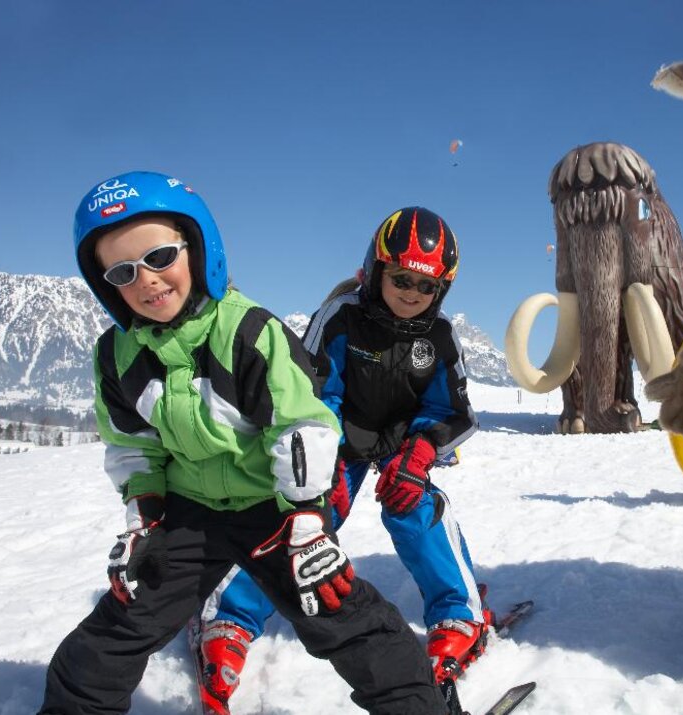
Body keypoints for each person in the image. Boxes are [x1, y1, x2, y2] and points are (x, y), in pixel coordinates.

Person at [38, 172, 445, 715]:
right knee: (117, 626)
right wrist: (144, 517)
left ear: (198, 249)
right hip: (186, 515)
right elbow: (134, 444)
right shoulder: (116, 355)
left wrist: (306, 523)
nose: (147, 280)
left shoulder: (248, 331)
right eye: (122, 270)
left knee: (338, 612)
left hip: (273, 509)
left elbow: (300, 425)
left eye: (160, 256)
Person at [197, 207, 492, 702]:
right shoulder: (341, 318)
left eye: (428, 287)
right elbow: (310, 394)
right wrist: (324, 459)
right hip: (341, 440)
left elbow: (454, 411)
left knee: (413, 508)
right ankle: (229, 618)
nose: (412, 294)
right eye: (401, 278)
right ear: (376, 269)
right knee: (304, 512)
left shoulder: (439, 337)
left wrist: (419, 454)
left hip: (403, 445)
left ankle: (460, 616)